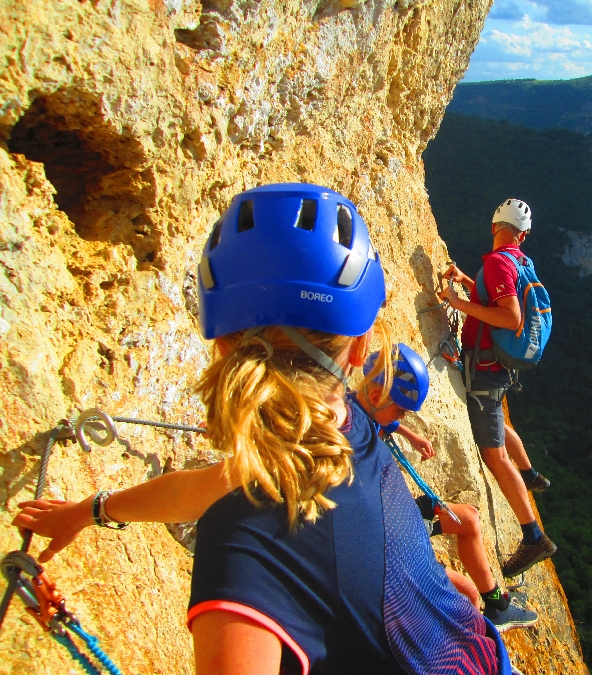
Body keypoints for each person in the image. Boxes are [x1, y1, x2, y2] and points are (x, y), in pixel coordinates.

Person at [14, 184, 516, 675]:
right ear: (361, 351)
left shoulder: (243, 553)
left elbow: (226, 492)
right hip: (479, 652)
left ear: (222, 346)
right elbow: (215, 486)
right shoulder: (348, 425)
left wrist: (91, 511)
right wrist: (92, 510)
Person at [354, 343, 539, 633]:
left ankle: (498, 606)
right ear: (378, 396)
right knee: (467, 592)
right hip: (387, 539)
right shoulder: (359, 447)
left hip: (395, 516)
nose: (402, 417)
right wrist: (419, 526)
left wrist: (409, 434)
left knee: (468, 518)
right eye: (401, 412)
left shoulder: (358, 409)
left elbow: (380, 419)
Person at [438, 199, 556, 579]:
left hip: (486, 370)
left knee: (494, 455)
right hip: (499, 366)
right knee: (498, 419)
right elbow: (495, 298)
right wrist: (468, 284)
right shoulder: (519, 262)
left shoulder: (497, 262)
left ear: (494, 226)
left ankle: (534, 536)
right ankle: (532, 475)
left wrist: (456, 302)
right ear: (522, 235)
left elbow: (509, 316)